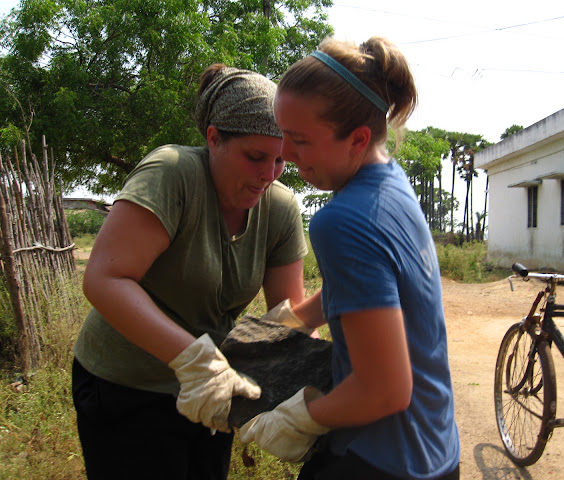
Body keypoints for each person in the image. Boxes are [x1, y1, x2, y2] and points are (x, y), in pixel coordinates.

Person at [71, 64, 308, 480]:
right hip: (127, 388)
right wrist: (196, 361)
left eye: (279, 161)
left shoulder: (280, 208)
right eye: (255, 157)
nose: (267, 175)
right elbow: (105, 279)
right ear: (214, 138)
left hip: (213, 395)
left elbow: (287, 317)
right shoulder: (173, 174)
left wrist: (304, 395)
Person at [239, 37, 460, 480]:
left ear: (357, 138)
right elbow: (375, 285)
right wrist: (297, 319)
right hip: (436, 448)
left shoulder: (340, 220)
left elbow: (385, 391)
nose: (285, 154)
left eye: (300, 140)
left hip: (381, 459)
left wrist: (297, 418)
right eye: (283, 134)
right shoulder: (391, 184)